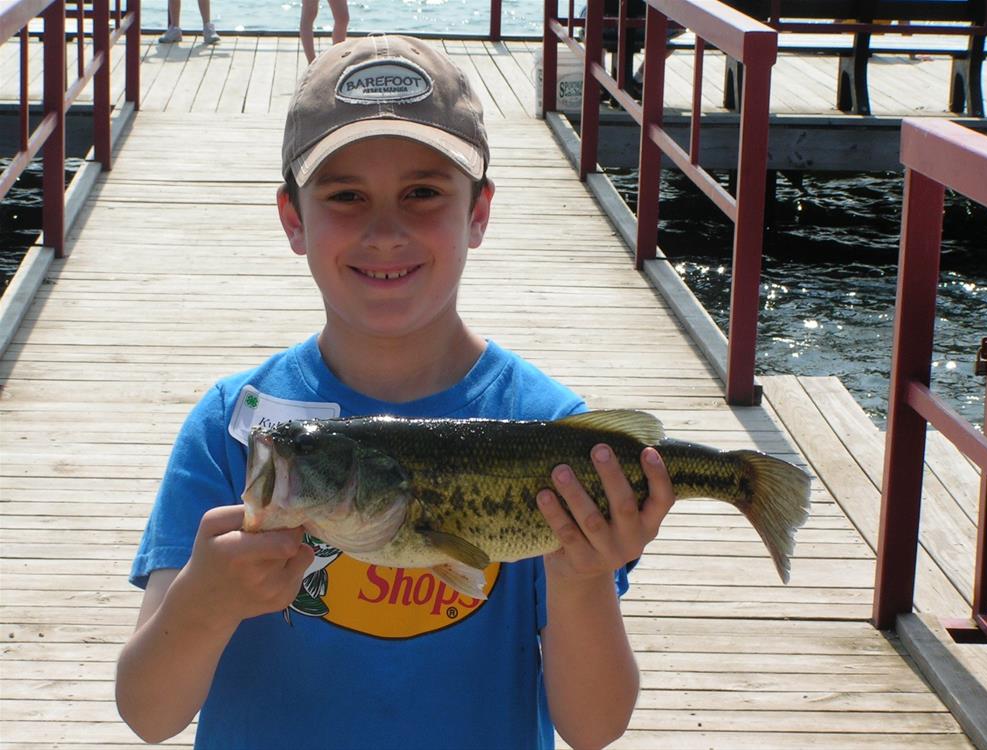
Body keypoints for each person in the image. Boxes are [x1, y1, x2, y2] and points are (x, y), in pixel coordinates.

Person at [114, 34, 675, 750]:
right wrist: (201, 604)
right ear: (293, 219)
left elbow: (593, 728)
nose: (385, 231)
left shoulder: (551, 432)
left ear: (479, 212)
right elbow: (147, 715)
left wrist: (581, 575)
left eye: (423, 193)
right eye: (346, 196)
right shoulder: (234, 429)